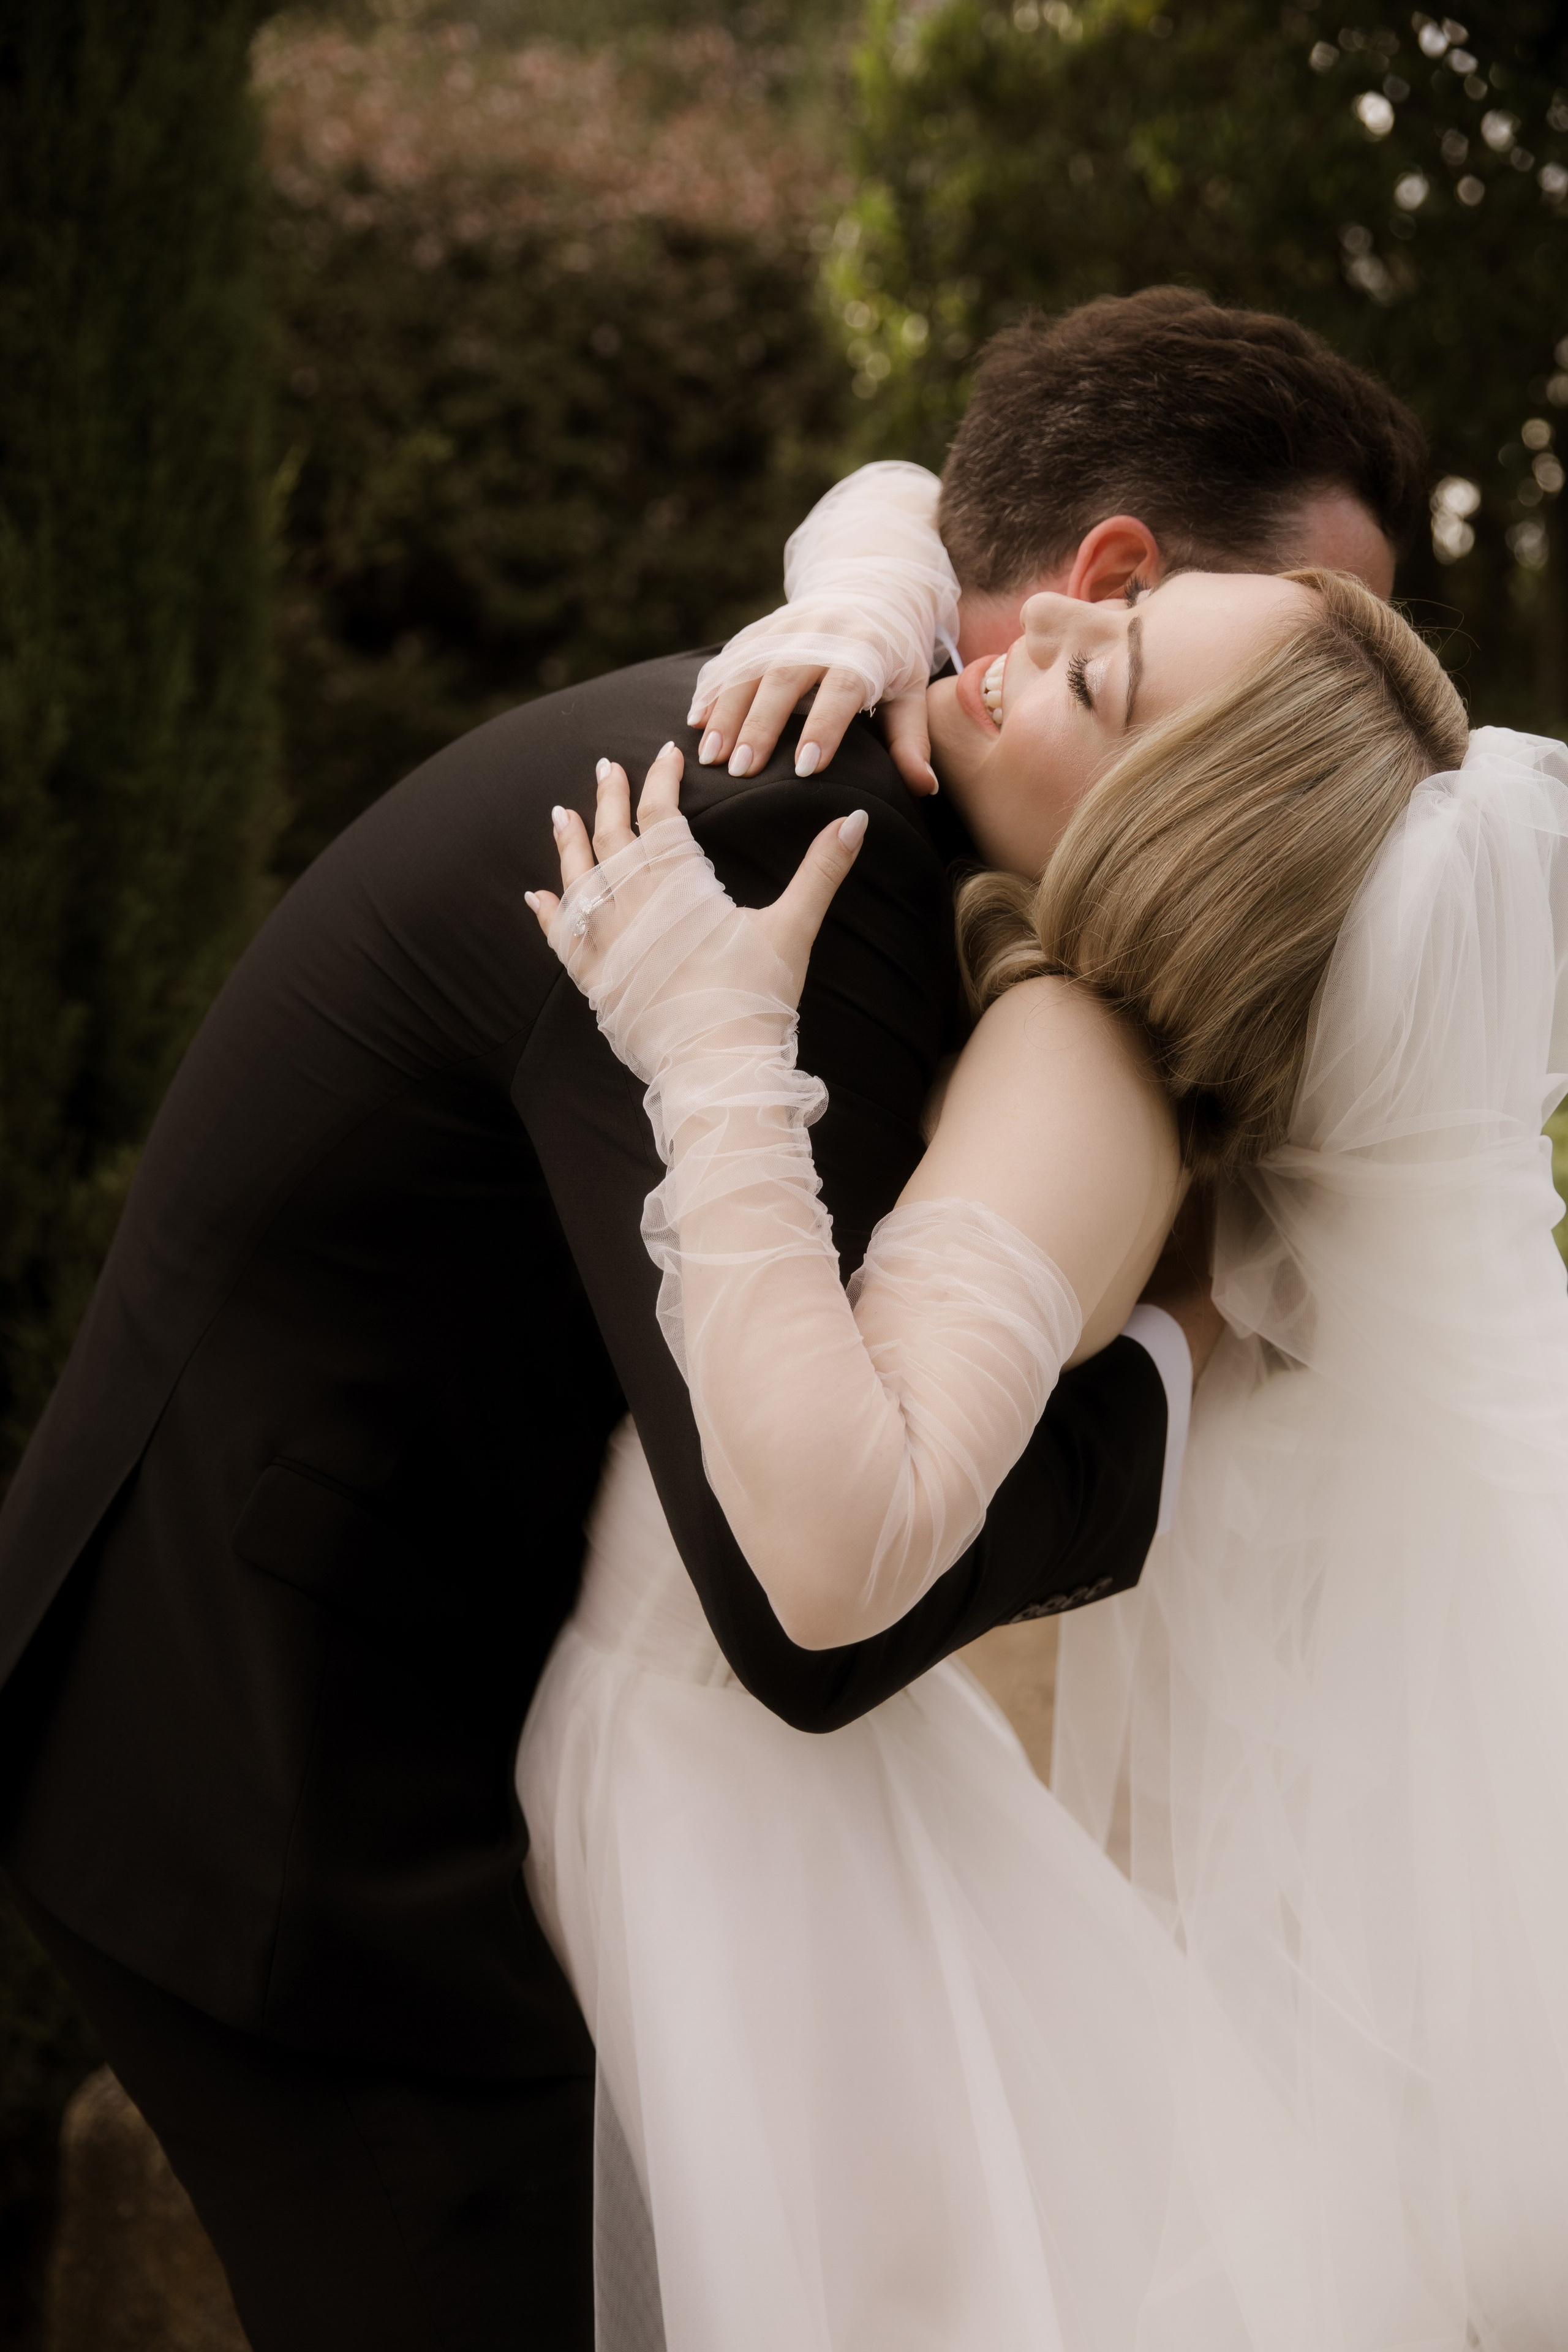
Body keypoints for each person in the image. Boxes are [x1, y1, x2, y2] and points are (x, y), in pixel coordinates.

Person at [0, 290, 1423, 2350]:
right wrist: (1162, 1387)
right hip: (287, 1764)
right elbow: (801, 1616)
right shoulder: (801, 849)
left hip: (416, 1689)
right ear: (1117, 579)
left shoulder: (909, 811)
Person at [526, 563, 1555, 2346]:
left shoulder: (1076, 1063)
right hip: (744, 1806)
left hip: (749, 1864)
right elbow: (936, 515)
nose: (1042, 631)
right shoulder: (1089, 1040)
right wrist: (869, 579)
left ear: (1177, 845)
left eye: (1110, 683)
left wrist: (713, 1051)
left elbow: (844, 1549)